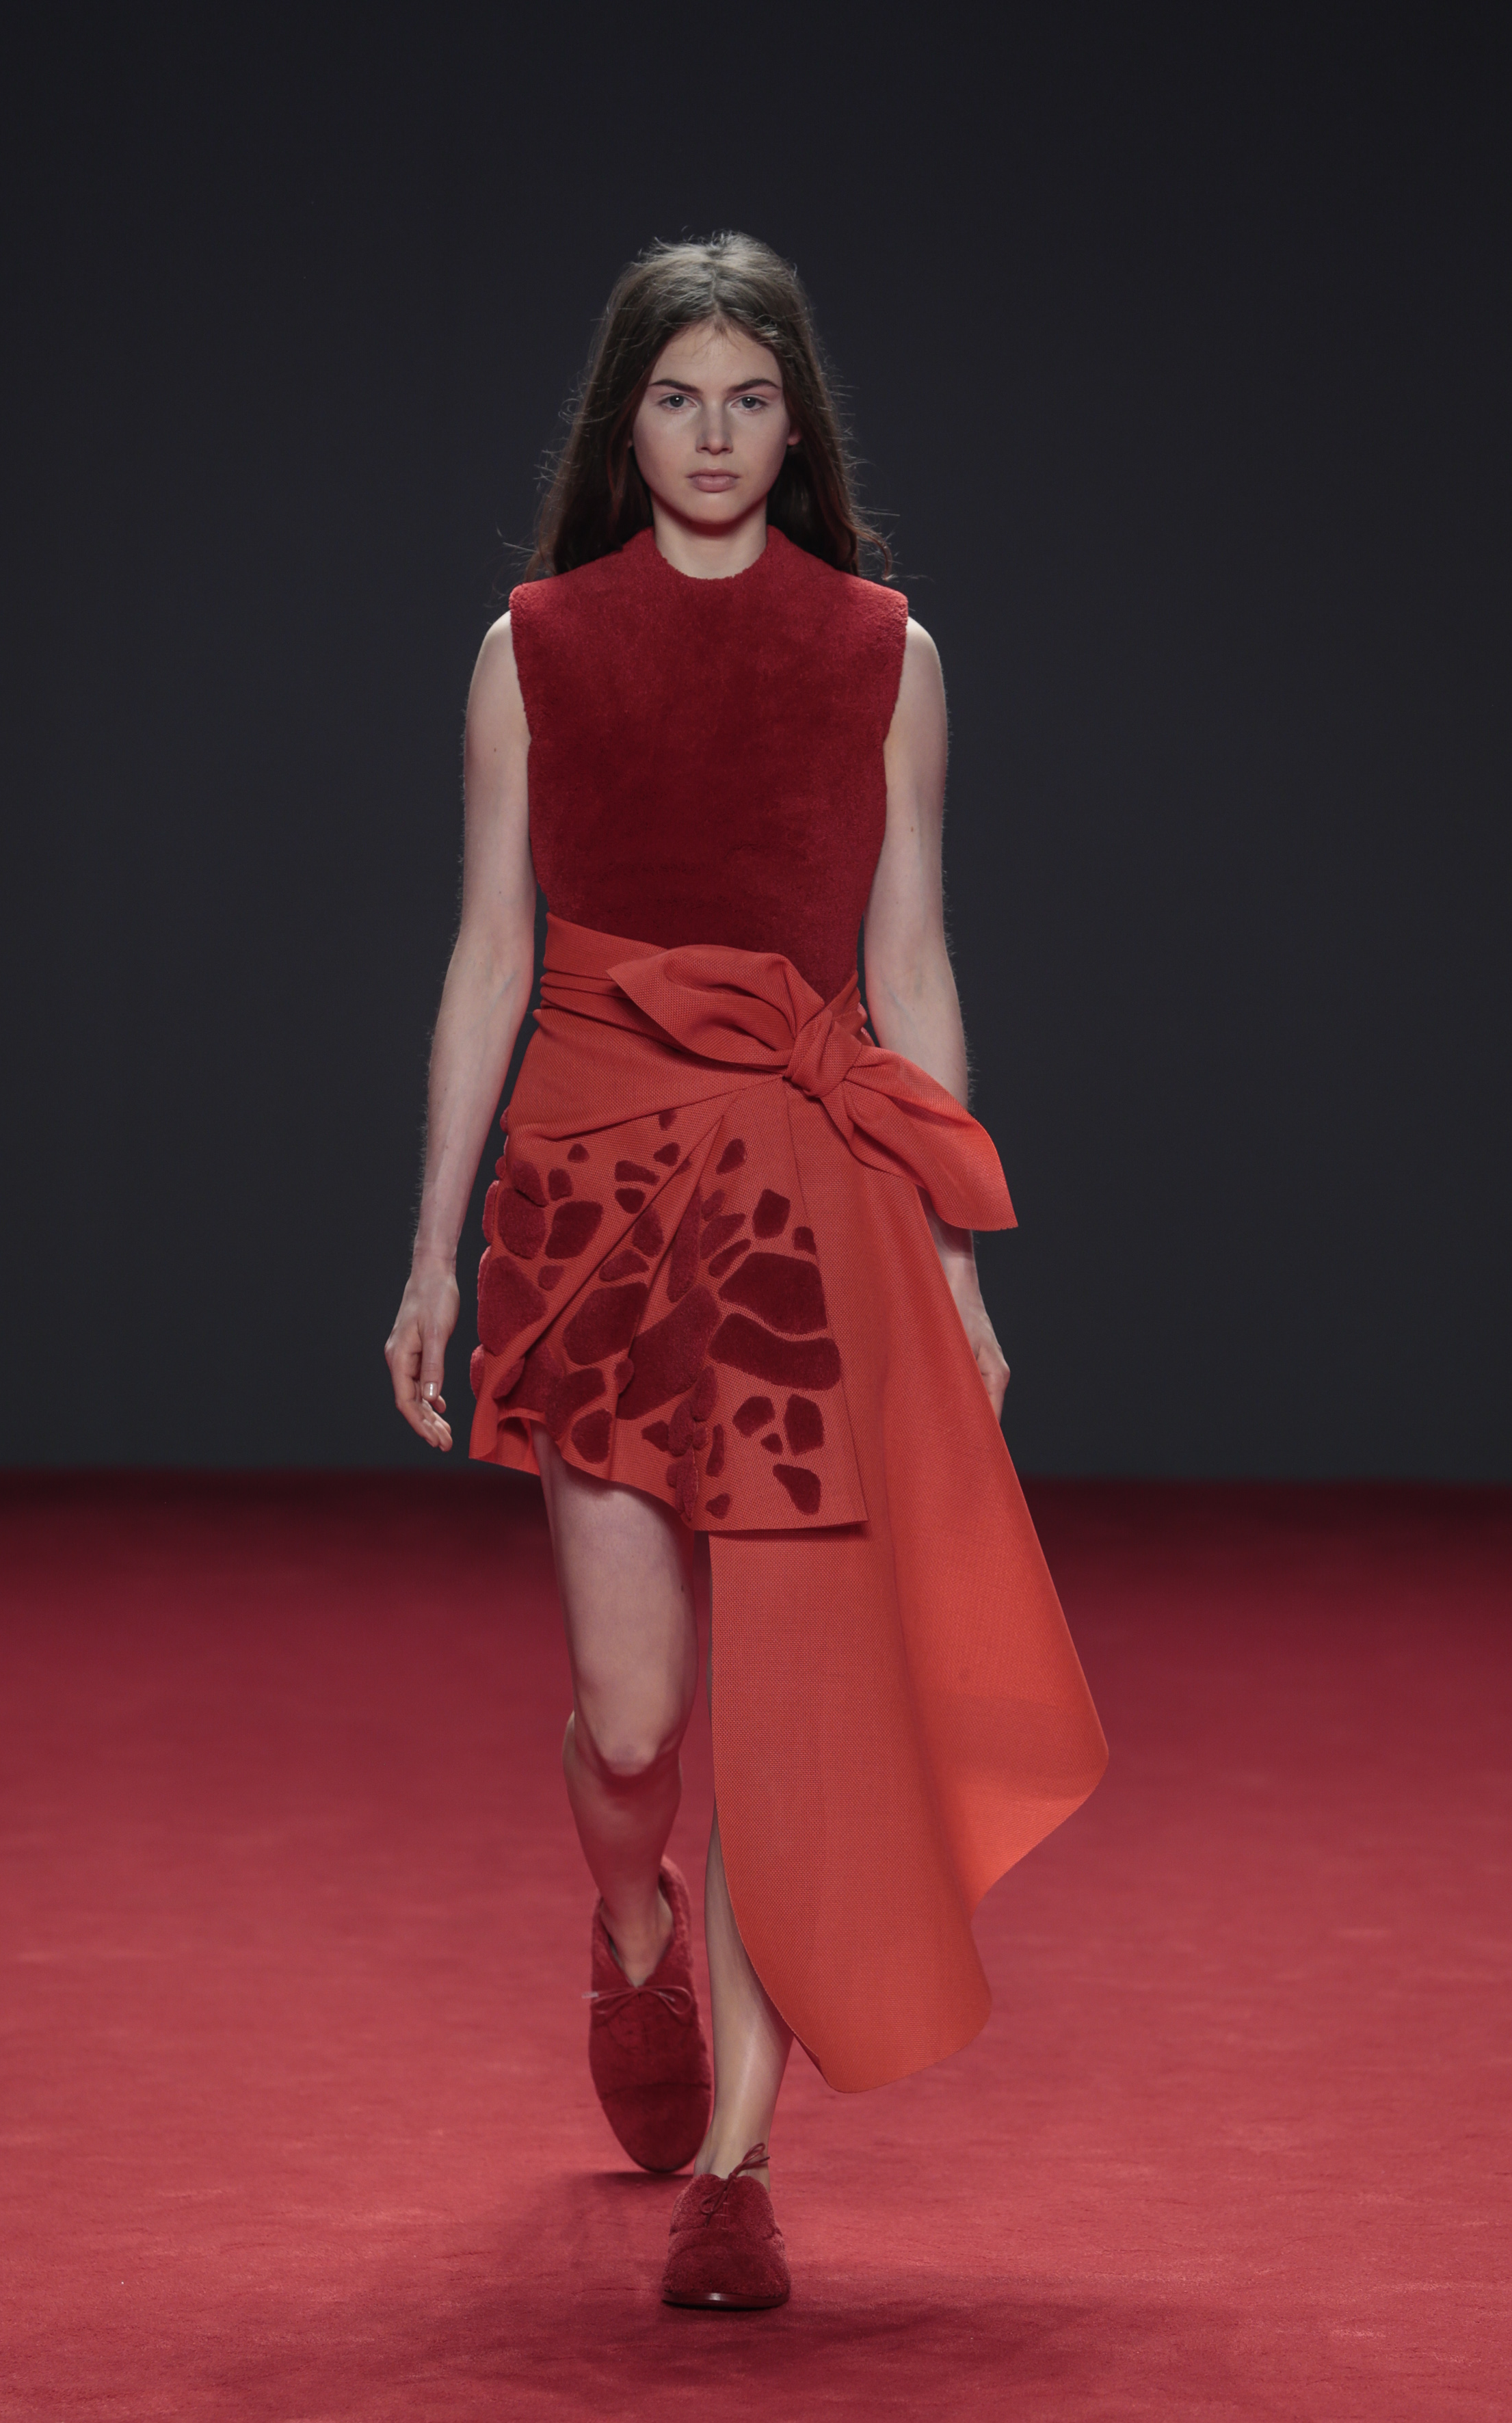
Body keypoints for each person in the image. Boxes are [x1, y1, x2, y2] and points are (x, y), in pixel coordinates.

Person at [386, 233, 1106, 2312]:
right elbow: (490, 955)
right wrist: (429, 1253)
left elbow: (908, 962)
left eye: (751, 399)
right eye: (678, 398)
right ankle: (633, 1936)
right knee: (634, 1725)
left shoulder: (884, 651)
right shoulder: (532, 648)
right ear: (627, 424)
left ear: (798, 428)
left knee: (787, 1716)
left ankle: (738, 2166)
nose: (713, 437)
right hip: (589, 1191)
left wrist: (958, 1265)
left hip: (804, 1207)